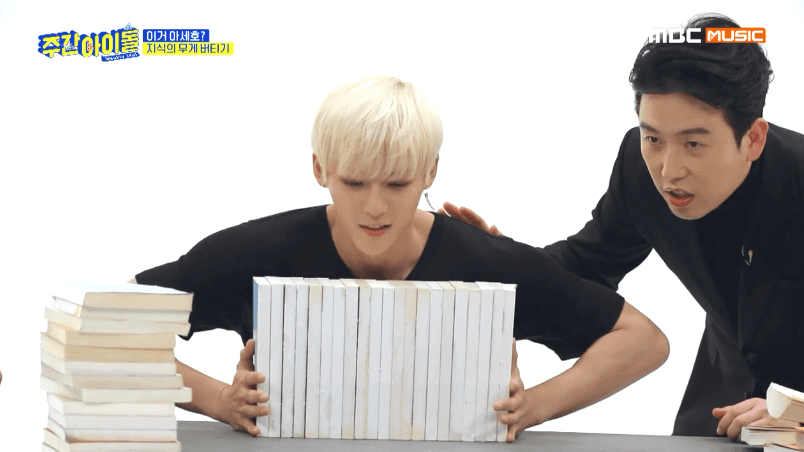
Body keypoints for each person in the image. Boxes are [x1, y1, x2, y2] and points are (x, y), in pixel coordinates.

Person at [130, 74, 668, 441]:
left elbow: (643, 342)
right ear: (320, 169)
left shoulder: (486, 262)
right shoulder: (256, 253)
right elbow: (105, 328)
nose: (375, 206)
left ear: (430, 172)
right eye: (354, 182)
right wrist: (217, 401)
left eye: (397, 183)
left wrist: (534, 407)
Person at [440, 13, 804, 439]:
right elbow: (587, 264)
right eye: (653, 138)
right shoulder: (639, 167)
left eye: (693, 143)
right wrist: (498, 264)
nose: (668, 169)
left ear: (753, 138)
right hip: (719, 415)